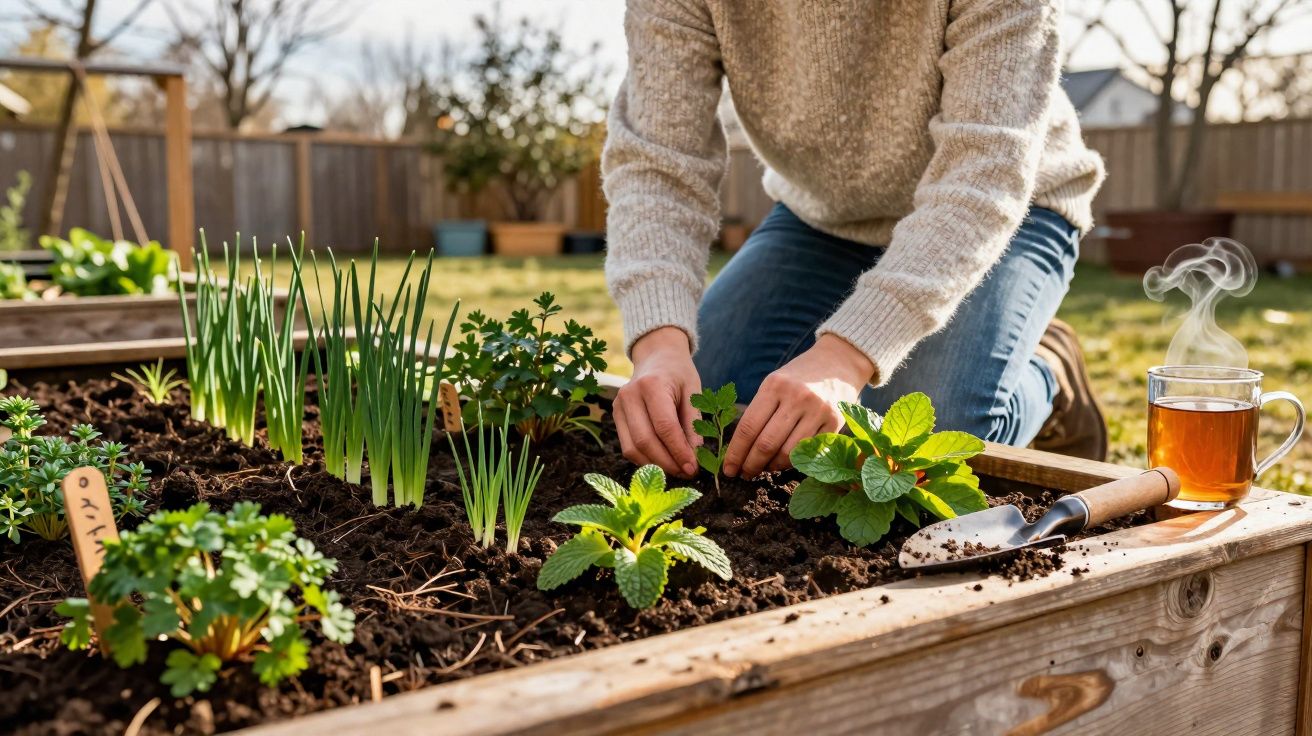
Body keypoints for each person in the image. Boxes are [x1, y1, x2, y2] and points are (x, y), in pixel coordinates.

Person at [603, 1, 1107, 482]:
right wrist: (659, 343)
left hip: (1009, 208)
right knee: (702, 406)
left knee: (912, 447)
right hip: (824, 220)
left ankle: (1049, 373)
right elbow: (657, 163)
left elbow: (985, 171)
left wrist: (846, 358)